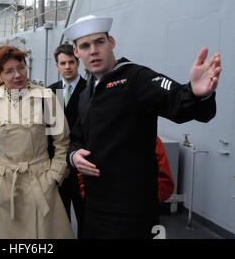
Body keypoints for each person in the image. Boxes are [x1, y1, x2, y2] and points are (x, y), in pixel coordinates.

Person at [64, 15, 221, 238]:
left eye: (99, 42)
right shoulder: (86, 92)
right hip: (93, 210)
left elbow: (178, 102)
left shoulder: (137, 78)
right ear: (77, 52)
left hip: (131, 214)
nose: (93, 50)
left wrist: (197, 94)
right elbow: (76, 137)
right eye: (85, 46)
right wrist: (74, 156)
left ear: (112, 43)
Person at [0, 45, 74, 239]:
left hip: (41, 183)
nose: (18, 75)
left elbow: (62, 141)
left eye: (21, 67)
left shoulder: (46, 97)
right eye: (9, 71)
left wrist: (54, 176)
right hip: (6, 186)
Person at [47, 43, 86, 236]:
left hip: (82, 169)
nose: (67, 66)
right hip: (57, 169)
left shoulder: (91, 90)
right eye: (63, 63)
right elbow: (46, 131)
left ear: (78, 62)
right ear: (57, 66)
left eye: (71, 62)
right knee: (60, 222)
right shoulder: (50, 92)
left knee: (85, 219)